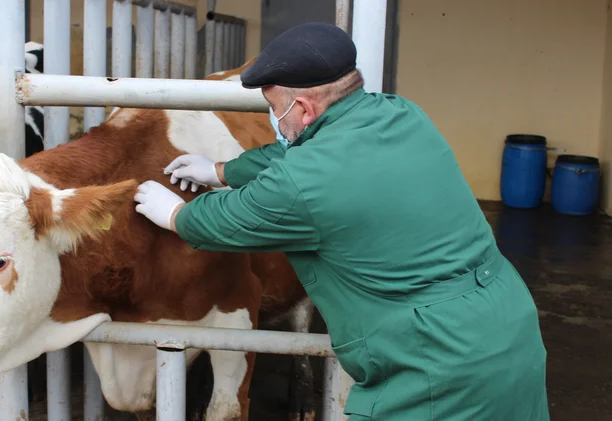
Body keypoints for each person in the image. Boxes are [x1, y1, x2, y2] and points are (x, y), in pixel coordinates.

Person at [133, 22, 550, 421]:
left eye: (274, 107)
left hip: (436, 366)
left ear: (304, 108)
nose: (273, 118)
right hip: (506, 327)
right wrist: (222, 170)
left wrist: (175, 214)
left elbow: (230, 218)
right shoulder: (400, 114)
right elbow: (308, 159)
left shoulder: (303, 184)